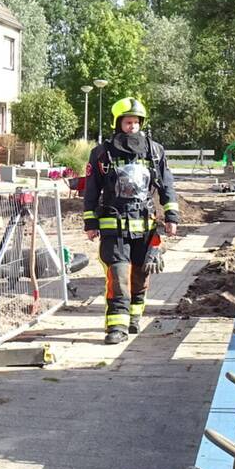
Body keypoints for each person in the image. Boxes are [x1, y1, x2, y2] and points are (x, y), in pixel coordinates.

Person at [83, 97, 179, 345]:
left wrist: (171, 216)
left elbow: (166, 185)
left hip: (145, 226)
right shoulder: (102, 153)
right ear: (118, 123)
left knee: (140, 276)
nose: (132, 127)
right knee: (118, 275)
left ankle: (134, 317)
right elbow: (92, 189)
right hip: (113, 225)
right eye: (127, 122)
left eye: (136, 122)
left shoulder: (154, 151)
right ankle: (117, 326)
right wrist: (90, 222)